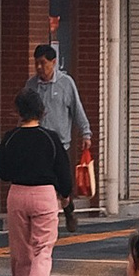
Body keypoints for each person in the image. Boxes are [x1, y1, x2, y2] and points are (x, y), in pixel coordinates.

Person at [0, 85, 73, 276]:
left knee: (20, 251)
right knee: (43, 247)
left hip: (17, 194)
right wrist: (65, 195)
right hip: (44, 194)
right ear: (42, 112)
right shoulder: (50, 139)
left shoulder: (10, 139)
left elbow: (3, 172)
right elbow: (63, 171)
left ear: (18, 112)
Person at [29, 41, 94, 214]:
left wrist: (86, 133)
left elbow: (77, 109)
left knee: (62, 182)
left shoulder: (66, 83)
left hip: (60, 144)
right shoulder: (31, 85)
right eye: (37, 63)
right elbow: (24, 112)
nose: (39, 67)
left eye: (43, 63)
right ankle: (48, 213)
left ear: (54, 62)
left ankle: (66, 204)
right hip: (37, 144)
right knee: (43, 182)